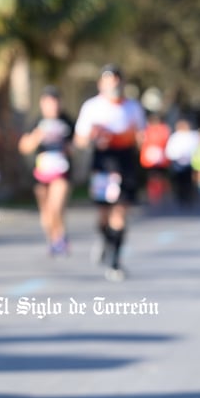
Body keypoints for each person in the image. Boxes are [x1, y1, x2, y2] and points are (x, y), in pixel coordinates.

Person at [74, 64, 145, 282]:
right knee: (104, 214)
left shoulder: (132, 107)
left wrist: (133, 138)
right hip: (103, 164)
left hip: (125, 162)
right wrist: (95, 137)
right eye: (108, 81)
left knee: (120, 212)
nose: (113, 85)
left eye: (116, 80)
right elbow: (80, 139)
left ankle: (115, 261)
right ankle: (105, 240)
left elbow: (142, 136)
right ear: (101, 84)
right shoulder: (92, 107)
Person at [18, 85, 74, 256]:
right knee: (46, 211)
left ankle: (60, 236)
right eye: (49, 103)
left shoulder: (68, 121)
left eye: (55, 102)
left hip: (62, 171)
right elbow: (23, 146)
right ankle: (53, 238)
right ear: (43, 104)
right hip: (41, 172)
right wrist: (37, 137)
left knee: (56, 206)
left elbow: (77, 145)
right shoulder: (37, 122)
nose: (53, 106)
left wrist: (67, 147)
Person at [164, 116, 200, 208]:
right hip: (178, 163)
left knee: (189, 182)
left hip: (190, 162)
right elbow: (170, 151)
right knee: (179, 182)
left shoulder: (193, 136)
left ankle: (189, 198)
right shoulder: (175, 137)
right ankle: (181, 198)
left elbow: (197, 148)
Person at [139, 112, 172, 207]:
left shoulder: (163, 129)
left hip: (161, 158)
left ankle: (160, 193)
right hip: (149, 158)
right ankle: (154, 194)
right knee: (152, 176)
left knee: (161, 176)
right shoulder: (147, 129)